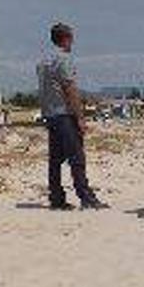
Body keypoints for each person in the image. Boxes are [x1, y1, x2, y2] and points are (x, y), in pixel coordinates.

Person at [37, 22, 109, 211]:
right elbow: (70, 89)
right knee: (76, 157)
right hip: (64, 114)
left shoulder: (43, 61)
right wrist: (80, 117)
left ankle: (57, 197)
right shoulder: (64, 59)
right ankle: (86, 197)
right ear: (67, 39)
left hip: (50, 114)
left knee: (55, 160)